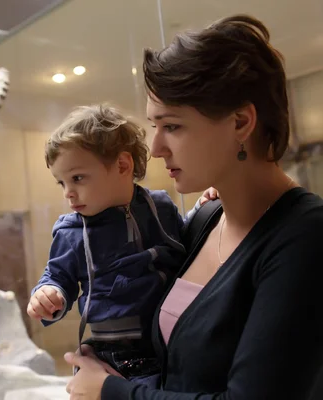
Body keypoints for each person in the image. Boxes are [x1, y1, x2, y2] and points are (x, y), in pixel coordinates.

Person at [63, 14, 323, 400]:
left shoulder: (305, 235)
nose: (155, 149)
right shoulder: (205, 217)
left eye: (173, 126)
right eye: (154, 126)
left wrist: (112, 392)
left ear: (240, 122)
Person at [27, 104, 215, 384]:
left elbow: (183, 242)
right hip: (116, 354)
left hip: (174, 336)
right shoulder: (71, 232)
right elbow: (58, 276)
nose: (69, 193)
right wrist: (49, 293)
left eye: (77, 178)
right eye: (61, 183)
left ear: (123, 166)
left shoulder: (159, 205)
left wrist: (200, 210)